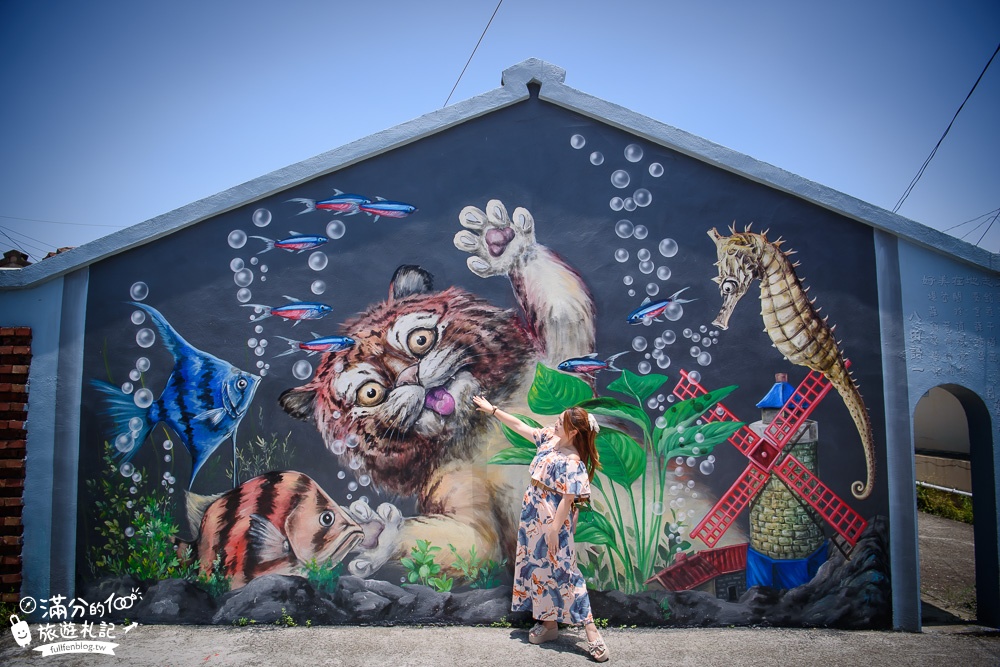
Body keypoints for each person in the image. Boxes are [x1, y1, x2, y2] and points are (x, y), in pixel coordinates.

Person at [473, 395, 609, 662]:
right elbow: (523, 428)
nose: (554, 423)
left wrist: (555, 529)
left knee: (565, 572)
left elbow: (569, 498)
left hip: (552, 521)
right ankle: (549, 626)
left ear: (573, 432)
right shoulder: (550, 439)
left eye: (560, 422)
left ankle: (592, 632)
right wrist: (494, 411)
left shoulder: (572, 460)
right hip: (533, 516)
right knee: (537, 568)